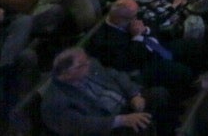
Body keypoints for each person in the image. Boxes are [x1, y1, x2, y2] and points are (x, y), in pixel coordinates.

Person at [41, 46, 174, 136]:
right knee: (140, 127)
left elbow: (116, 75)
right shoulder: (55, 101)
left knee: (159, 94)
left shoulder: (90, 66)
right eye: (82, 65)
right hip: (108, 126)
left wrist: (134, 94)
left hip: (127, 104)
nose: (89, 64)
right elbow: (81, 125)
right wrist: (121, 120)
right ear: (67, 73)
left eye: (86, 61)